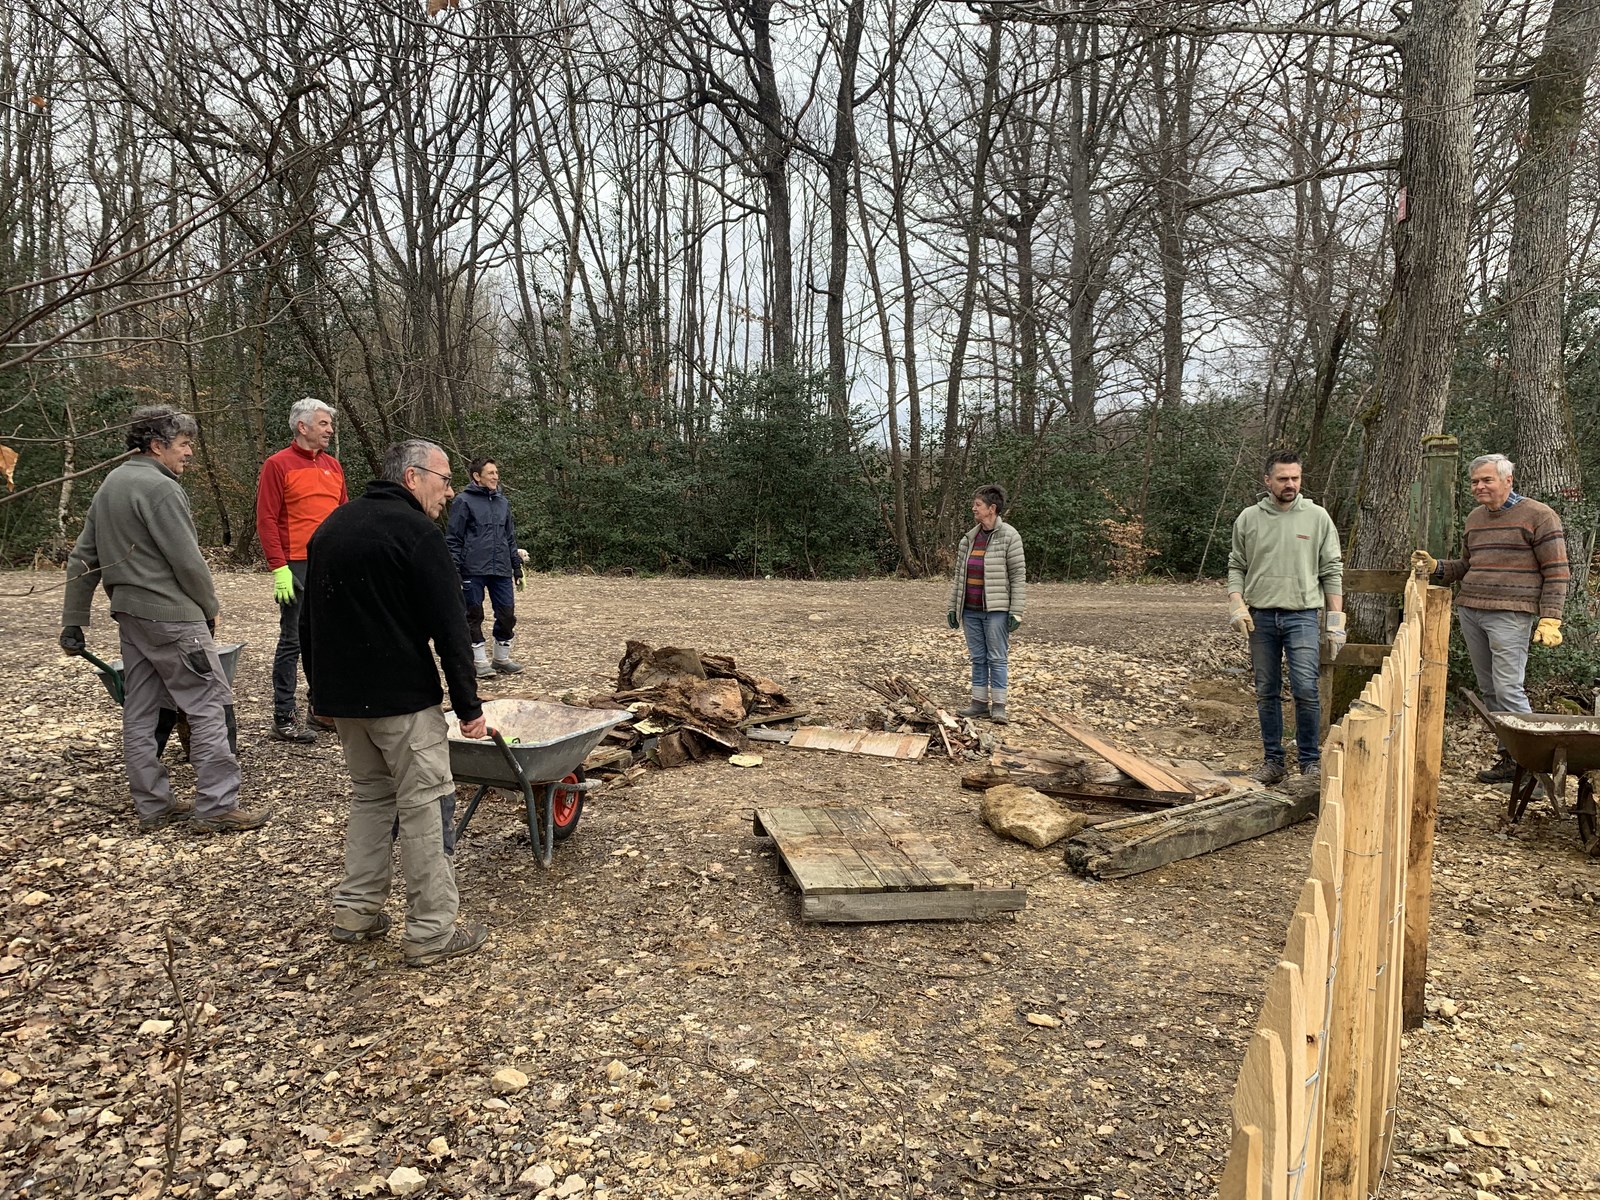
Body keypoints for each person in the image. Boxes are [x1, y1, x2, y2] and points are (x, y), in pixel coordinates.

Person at [300, 438, 490, 968]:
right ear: (412, 477)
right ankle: (431, 932)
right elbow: (450, 627)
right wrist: (469, 704)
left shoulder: (331, 528)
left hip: (347, 705)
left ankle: (355, 913)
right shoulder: (416, 534)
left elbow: (308, 622)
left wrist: (321, 695)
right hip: (403, 704)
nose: (449, 492)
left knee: (371, 800)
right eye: (444, 479)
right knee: (425, 806)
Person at [59, 405, 268, 835]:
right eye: (184, 444)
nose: (189, 452)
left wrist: (73, 619)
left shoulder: (111, 484)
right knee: (209, 706)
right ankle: (217, 807)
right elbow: (188, 562)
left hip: (132, 618)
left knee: (140, 710)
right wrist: (209, 607)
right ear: (157, 445)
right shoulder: (161, 489)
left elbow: (83, 557)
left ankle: (153, 805)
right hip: (173, 618)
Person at [1411, 453, 1568, 782]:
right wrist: (1438, 567)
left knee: (1509, 689)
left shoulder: (1539, 515)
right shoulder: (1475, 518)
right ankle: (1512, 759)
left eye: (1487, 480)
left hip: (1510, 613)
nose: (1479, 486)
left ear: (1507, 480)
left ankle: (1539, 772)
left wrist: (1551, 618)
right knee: (1491, 691)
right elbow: (1469, 566)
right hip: (1472, 610)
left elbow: (1556, 571)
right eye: (1474, 482)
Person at [1227, 451, 1345, 786]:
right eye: (1283, 478)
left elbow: (1331, 571)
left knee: (1307, 689)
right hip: (1261, 618)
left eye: (1295, 478)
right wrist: (1236, 603)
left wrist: (1335, 620)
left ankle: (1310, 761)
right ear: (1267, 481)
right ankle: (1273, 761)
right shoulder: (1249, 518)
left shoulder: (1318, 517)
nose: (1290, 484)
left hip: (1303, 616)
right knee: (1267, 690)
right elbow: (1237, 565)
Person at [255, 397, 347, 743]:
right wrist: (278, 567)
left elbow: (343, 515)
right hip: (295, 564)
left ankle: (320, 709)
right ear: (302, 426)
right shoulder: (278, 465)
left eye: (330, 424)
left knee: (329, 639)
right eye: (323, 424)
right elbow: (266, 518)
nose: (329, 430)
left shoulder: (333, 466)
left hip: (329, 564)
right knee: (293, 640)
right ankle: (283, 715)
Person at [946, 484, 1027, 725]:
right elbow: (959, 576)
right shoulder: (969, 539)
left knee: (997, 657)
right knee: (978, 657)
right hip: (970, 610)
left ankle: (999, 706)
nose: (974, 508)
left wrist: (1016, 611)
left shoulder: (1010, 536)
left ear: (992, 509)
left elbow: (1018, 576)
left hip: (996, 611)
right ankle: (979, 704)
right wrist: (953, 607)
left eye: (978, 505)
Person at [445, 456, 524, 679]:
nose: (495, 477)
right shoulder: (463, 501)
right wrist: (456, 569)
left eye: (496, 473)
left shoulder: (503, 502)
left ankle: (501, 658)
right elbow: (454, 538)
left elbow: (510, 538)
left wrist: (516, 567)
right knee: (473, 614)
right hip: (472, 569)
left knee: (507, 614)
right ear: (476, 476)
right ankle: (479, 662)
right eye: (491, 473)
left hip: (501, 569)